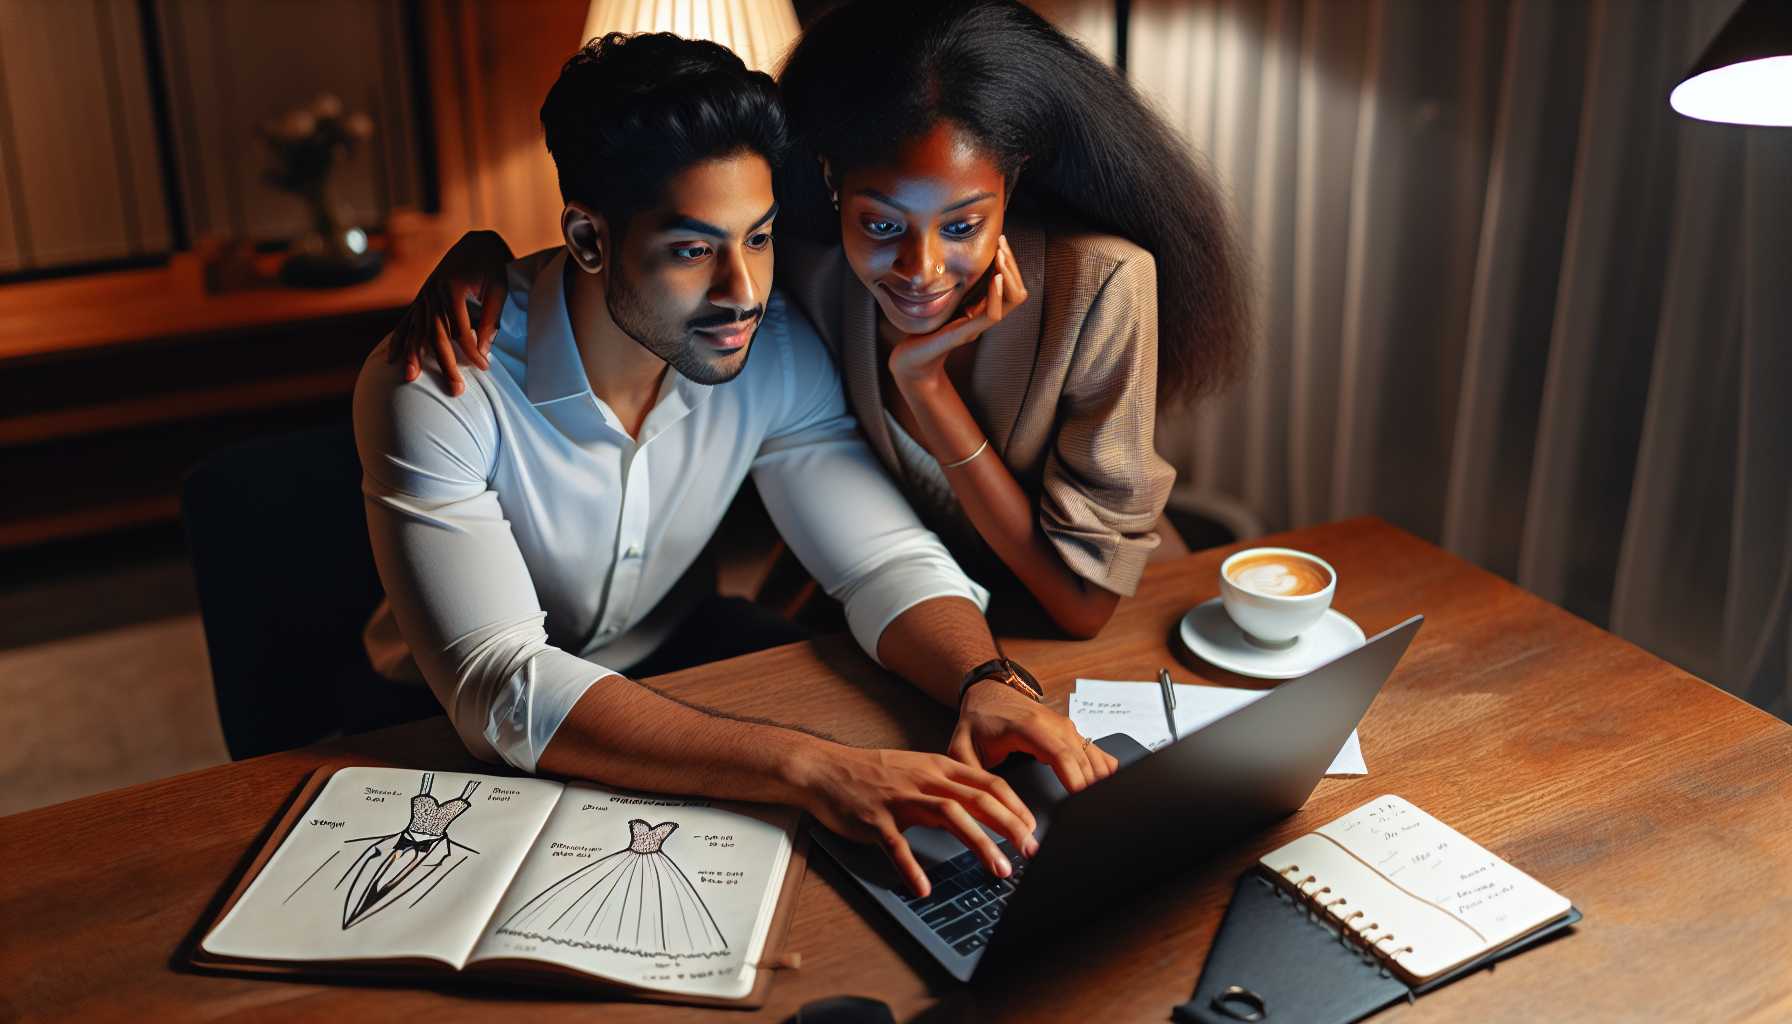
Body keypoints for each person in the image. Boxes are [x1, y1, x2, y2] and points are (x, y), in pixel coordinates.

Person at [355, 32, 1117, 899]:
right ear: (588, 238)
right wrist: (813, 768)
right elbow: (502, 682)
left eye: (757, 239)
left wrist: (988, 682)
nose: (744, 289)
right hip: (431, 722)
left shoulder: (774, 344)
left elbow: (881, 560)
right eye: (692, 251)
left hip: (676, 663)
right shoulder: (439, 381)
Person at [397, 0, 1249, 641]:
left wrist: (928, 390)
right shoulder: (801, 265)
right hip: (904, 619)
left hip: (1099, 625)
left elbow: (1081, 604)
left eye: (962, 225)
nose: (918, 272)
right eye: (882, 224)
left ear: (1012, 185)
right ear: (833, 183)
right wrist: (488, 257)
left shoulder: (1102, 283)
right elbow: (660, 232)